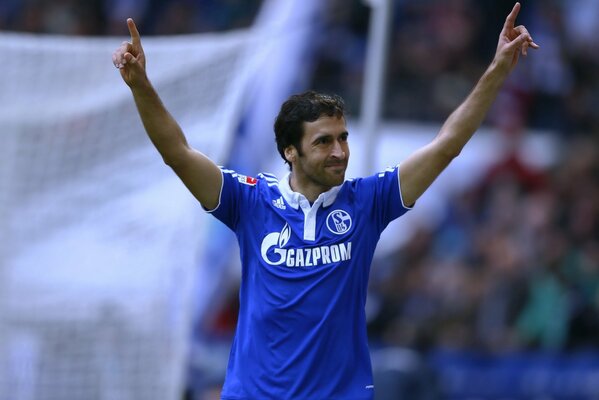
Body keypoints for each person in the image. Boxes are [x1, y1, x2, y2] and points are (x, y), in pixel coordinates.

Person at [112, 3, 538, 399]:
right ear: (290, 152)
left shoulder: (369, 201)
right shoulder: (249, 201)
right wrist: (141, 87)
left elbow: (446, 145)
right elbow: (178, 152)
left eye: (343, 138)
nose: (339, 152)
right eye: (323, 142)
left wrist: (498, 69)